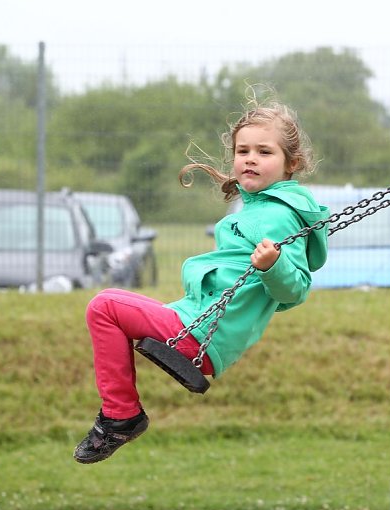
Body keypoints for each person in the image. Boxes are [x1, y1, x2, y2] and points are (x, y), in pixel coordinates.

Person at [74, 100, 330, 464]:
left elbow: (295, 289)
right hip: (195, 322)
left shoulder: (278, 216)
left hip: (202, 333)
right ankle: (120, 412)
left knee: (105, 306)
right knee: (110, 308)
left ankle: (120, 414)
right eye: (243, 151)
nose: (250, 159)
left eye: (264, 151)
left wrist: (273, 265)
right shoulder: (258, 209)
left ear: (292, 163)